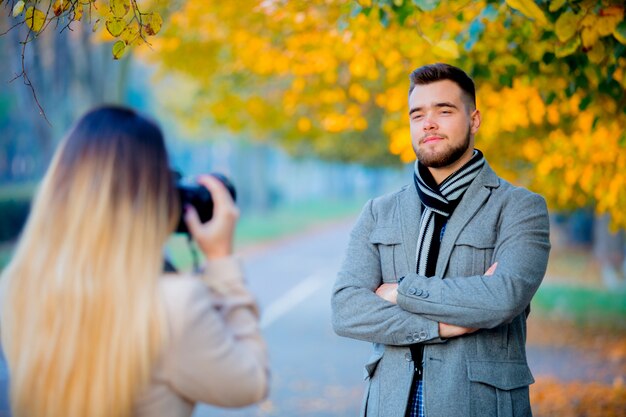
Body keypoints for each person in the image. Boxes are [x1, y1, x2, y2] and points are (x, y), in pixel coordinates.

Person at [0, 106, 269, 417]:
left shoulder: (13, 288)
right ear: (155, 198)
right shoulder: (173, 306)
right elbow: (252, 383)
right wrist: (221, 260)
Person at [331, 63, 550, 417]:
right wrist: (442, 326)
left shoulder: (519, 208)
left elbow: (503, 298)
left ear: (474, 119)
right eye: (417, 114)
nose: (428, 123)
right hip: (389, 405)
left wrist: (401, 292)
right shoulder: (379, 211)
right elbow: (346, 310)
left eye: (443, 111)